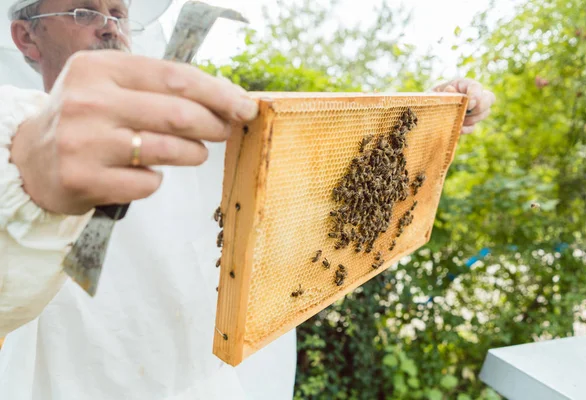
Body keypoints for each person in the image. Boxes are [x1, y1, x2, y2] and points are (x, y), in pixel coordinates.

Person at [0, 0, 496, 399]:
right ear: (28, 36)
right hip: (72, 381)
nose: (110, 27)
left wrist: (436, 116)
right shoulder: (10, 131)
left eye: (119, 12)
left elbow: (327, 167)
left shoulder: (193, 113)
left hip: (199, 374)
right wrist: (31, 171)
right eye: (84, 11)